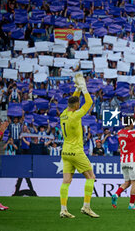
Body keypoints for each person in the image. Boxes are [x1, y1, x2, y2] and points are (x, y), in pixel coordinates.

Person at [59, 72, 99, 218]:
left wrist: (77, 88)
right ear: (76, 106)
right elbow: (89, 104)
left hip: (65, 151)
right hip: (76, 151)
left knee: (66, 181)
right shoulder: (75, 115)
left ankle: (63, 209)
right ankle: (86, 207)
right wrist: (85, 88)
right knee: (90, 177)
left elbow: (73, 101)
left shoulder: (63, 113)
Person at [112, 106, 135, 210]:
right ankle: (131, 205)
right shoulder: (132, 133)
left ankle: (116, 194)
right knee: (134, 182)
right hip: (132, 161)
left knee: (127, 182)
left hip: (123, 161)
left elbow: (129, 124)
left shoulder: (120, 132)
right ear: (131, 124)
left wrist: (134, 115)